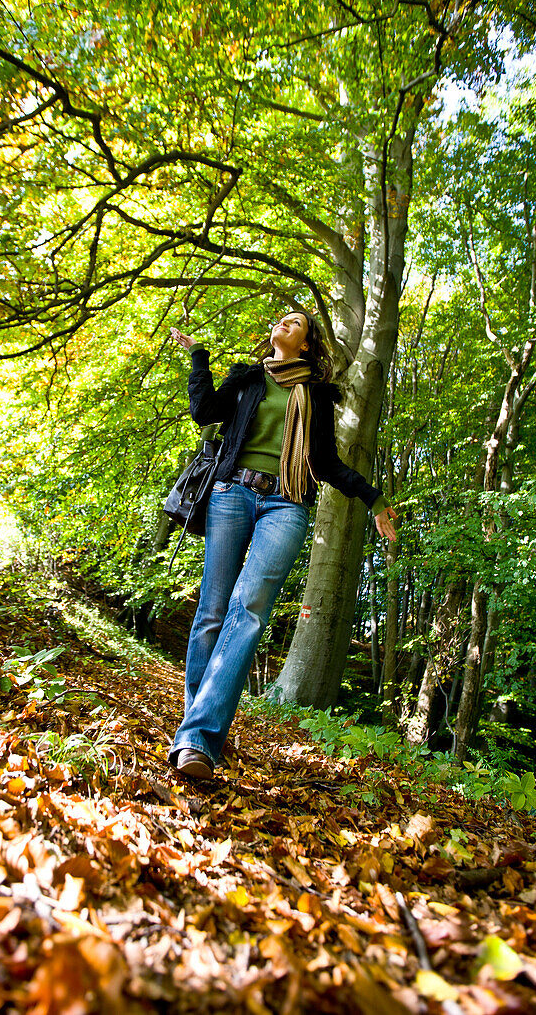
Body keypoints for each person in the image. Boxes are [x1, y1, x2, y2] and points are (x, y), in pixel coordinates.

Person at [168, 311, 397, 780]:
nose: (284, 324)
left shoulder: (314, 395)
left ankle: (198, 738)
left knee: (247, 610)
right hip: (231, 493)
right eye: (280, 320)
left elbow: (327, 462)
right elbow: (204, 412)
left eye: (295, 323)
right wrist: (198, 357)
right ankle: (197, 734)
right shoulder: (248, 378)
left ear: (307, 344)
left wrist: (372, 497)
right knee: (212, 610)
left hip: (287, 504)